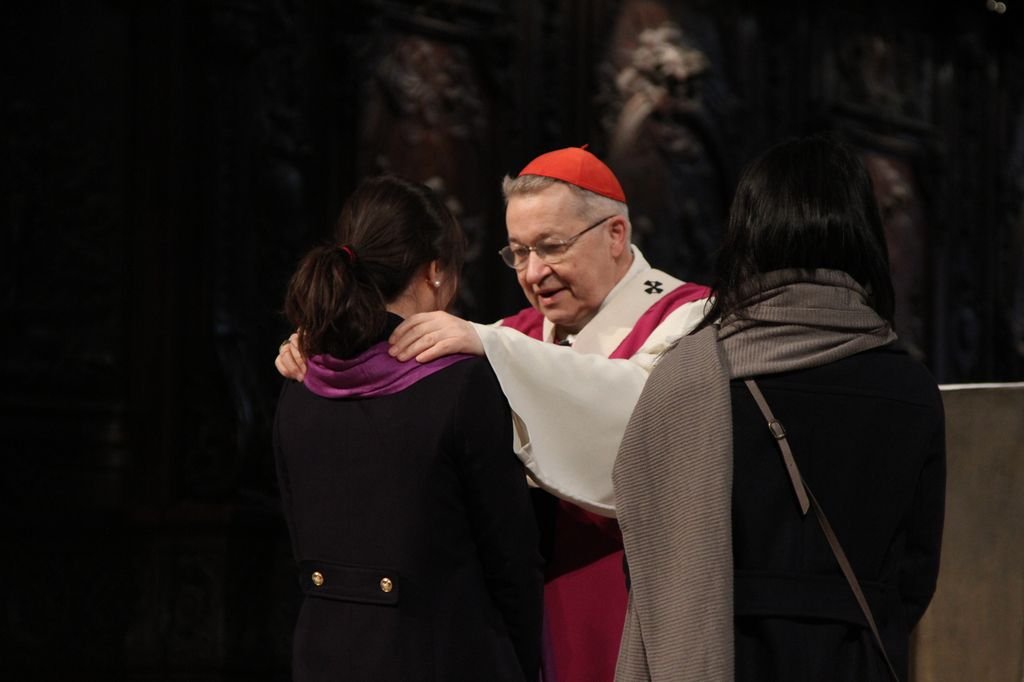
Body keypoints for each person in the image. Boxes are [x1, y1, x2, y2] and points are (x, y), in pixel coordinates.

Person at [276, 147, 711, 682]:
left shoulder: (687, 316)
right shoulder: (513, 335)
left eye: (551, 247)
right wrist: (316, 347)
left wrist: (491, 343)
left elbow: (647, 412)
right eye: (519, 252)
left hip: (635, 597)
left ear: (616, 234)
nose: (534, 273)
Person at [613, 135, 946, 681]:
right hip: (858, 657)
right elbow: (916, 572)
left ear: (748, 232)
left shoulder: (692, 375)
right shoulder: (911, 387)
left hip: (720, 655)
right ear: (863, 234)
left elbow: (650, 563)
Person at [272, 174, 543, 681]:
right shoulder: (462, 385)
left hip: (324, 655)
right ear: (436, 271)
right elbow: (511, 560)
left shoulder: (300, 378)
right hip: (443, 655)